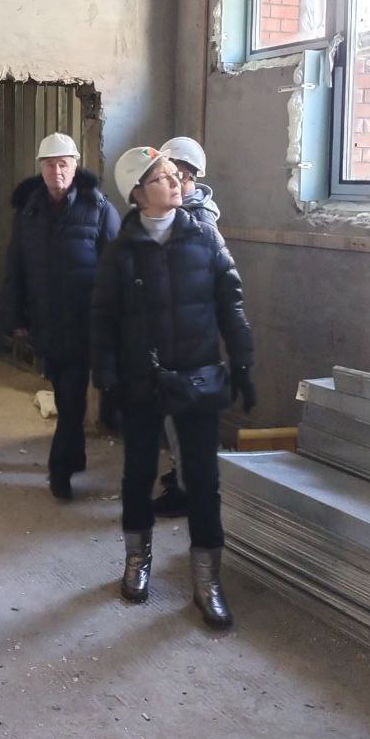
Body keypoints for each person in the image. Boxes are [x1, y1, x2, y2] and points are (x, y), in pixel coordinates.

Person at [91, 147, 255, 628]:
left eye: (175, 175)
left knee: (203, 482)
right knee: (138, 474)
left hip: (198, 378)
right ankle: (137, 561)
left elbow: (231, 302)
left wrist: (243, 362)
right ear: (138, 194)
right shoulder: (120, 252)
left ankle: (207, 582)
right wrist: (107, 381)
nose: (176, 182)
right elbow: (102, 320)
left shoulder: (204, 236)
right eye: (162, 177)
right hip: (142, 381)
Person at [3, 132, 120, 500]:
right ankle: (76, 453)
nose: (57, 171)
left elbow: (115, 266)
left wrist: (113, 319)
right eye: (51, 164)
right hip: (46, 320)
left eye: (64, 164)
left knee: (70, 396)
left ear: (75, 166)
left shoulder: (98, 208)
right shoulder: (29, 212)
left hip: (84, 321)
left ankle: (61, 470)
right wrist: (16, 317)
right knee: (63, 388)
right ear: (41, 168)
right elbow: (15, 266)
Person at [152, 135, 220, 518]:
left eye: (174, 174)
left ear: (189, 175)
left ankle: (188, 491)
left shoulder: (198, 221)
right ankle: (183, 473)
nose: (168, 181)